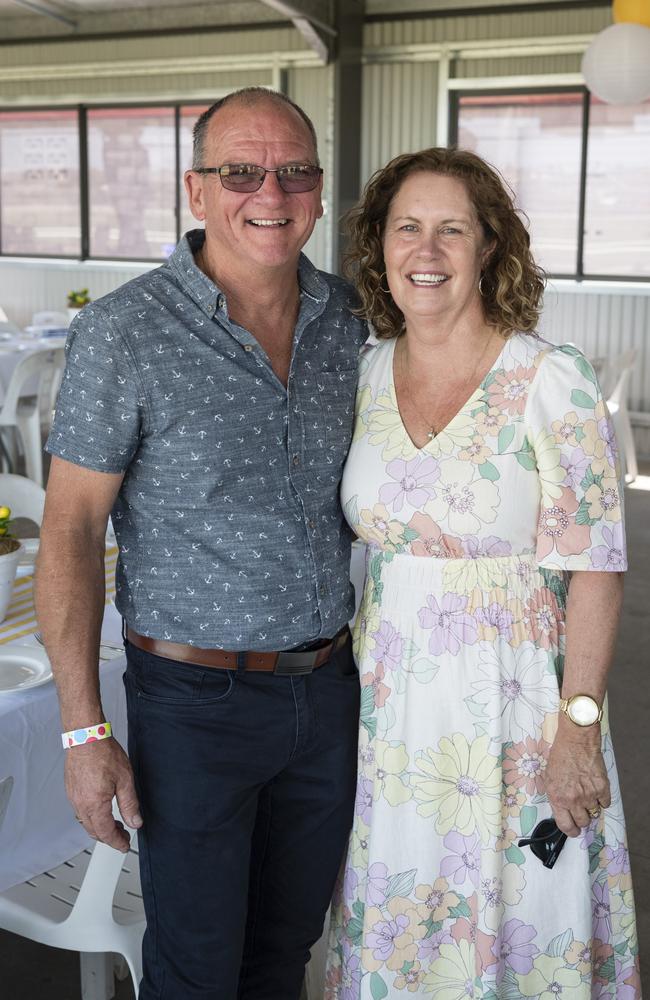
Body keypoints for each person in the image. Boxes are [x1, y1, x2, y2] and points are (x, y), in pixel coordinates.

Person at [35, 87, 367, 1000]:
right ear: (196, 191)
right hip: (194, 705)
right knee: (195, 963)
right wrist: (82, 729)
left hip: (331, 690)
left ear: (318, 186)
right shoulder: (125, 331)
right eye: (241, 171)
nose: (272, 190)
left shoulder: (352, 323)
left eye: (295, 169)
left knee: (286, 950)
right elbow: (69, 528)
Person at [325, 148, 640, 999]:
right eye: (408, 229)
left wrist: (578, 727)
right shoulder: (359, 374)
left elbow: (597, 567)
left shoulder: (549, 377)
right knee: (409, 915)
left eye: (452, 229)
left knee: (523, 915)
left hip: (520, 707)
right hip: (391, 713)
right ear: (379, 248)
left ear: (489, 247)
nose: (426, 251)